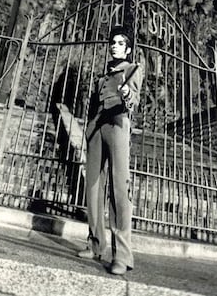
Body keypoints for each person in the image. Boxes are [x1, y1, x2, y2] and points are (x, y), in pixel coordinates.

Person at [77, 27, 144, 275]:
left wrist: (127, 94)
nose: (115, 46)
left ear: (128, 49)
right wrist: (89, 130)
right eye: (113, 42)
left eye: (120, 43)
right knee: (93, 186)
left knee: (118, 191)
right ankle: (95, 243)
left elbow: (133, 100)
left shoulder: (132, 70)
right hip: (96, 130)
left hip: (117, 127)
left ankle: (122, 256)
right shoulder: (103, 75)